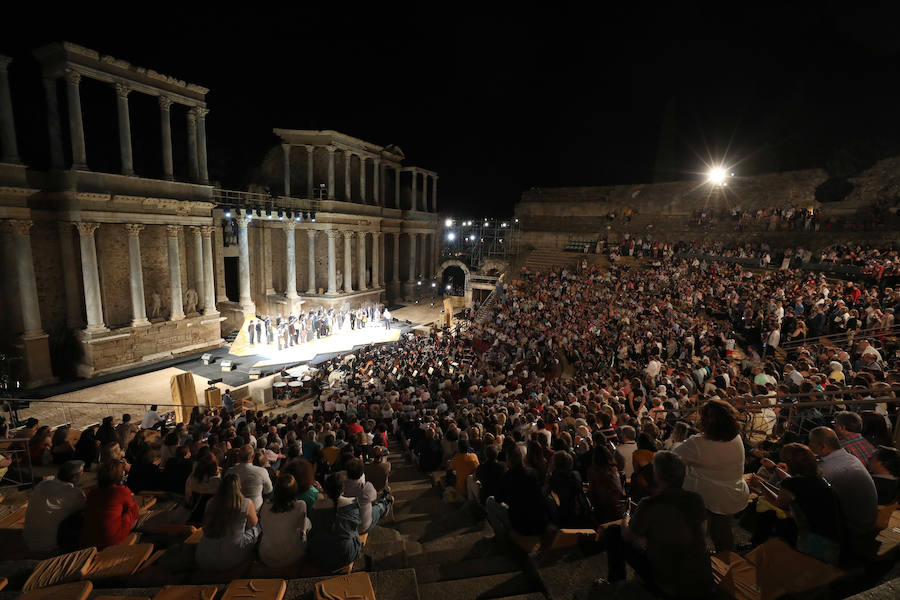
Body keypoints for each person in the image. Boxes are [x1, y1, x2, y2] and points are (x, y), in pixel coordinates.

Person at [602, 451, 712, 598]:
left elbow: (627, 536)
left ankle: (615, 582)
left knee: (614, 532)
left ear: (657, 475)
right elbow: (701, 533)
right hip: (700, 577)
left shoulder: (649, 504)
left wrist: (626, 516)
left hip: (669, 584)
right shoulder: (696, 499)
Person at [673, 399, 749, 551]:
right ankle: (725, 556)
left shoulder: (697, 444)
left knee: (710, 529)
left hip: (712, 495)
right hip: (734, 490)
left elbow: (670, 459)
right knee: (722, 527)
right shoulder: (736, 437)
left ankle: (708, 556)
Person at [748, 443, 841, 561]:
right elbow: (789, 488)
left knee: (766, 510)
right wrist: (775, 469)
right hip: (833, 538)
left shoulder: (793, 484)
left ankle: (759, 547)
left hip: (815, 543)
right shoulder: (817, 478)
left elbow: (779, 502)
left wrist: (760, 484)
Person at [808, 427, 878, 548]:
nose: (809, 446)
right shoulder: (851, 458)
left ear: (823, 447)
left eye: (811, 442)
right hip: (868, 520)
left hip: (853, 528)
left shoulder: (826, 470)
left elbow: (808, 495)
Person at [196, 473, 261, 572]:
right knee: (258, 527)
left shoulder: (210, 503)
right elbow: (254, 524)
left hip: (203, 556)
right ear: (239, 487)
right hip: (231, 558)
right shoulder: (246, 503)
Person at [23, 460, 86, 553]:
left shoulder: (42, 484)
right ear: (76, 477)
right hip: (50, 544)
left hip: (28, 539)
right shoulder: (75, 493)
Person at [80, 460, 139, 549]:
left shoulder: (92, 492)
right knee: (133, 509)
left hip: (88, 540)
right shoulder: (121, 491)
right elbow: (132, 508)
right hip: (110, 540)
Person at [258, 474, 312, 568]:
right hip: (290, 556)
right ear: (294, 491)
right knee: (307, 523)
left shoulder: (265, 506)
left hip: (266, 555)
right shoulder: (301, 505)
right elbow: (302, 528)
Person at [342, 458, 393, 534]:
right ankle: (385, 503)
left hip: (346, 525)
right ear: (362, 472)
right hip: (363, 526)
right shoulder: (365, 487)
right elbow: (374, 496)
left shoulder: (342, 485)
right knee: (378, 507)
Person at [228, 444, 273, 511]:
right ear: (253, 457)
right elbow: (269, 490)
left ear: (238, 456)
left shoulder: (229, 472)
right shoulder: (262, 471)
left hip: (234, 508)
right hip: (255, 510)